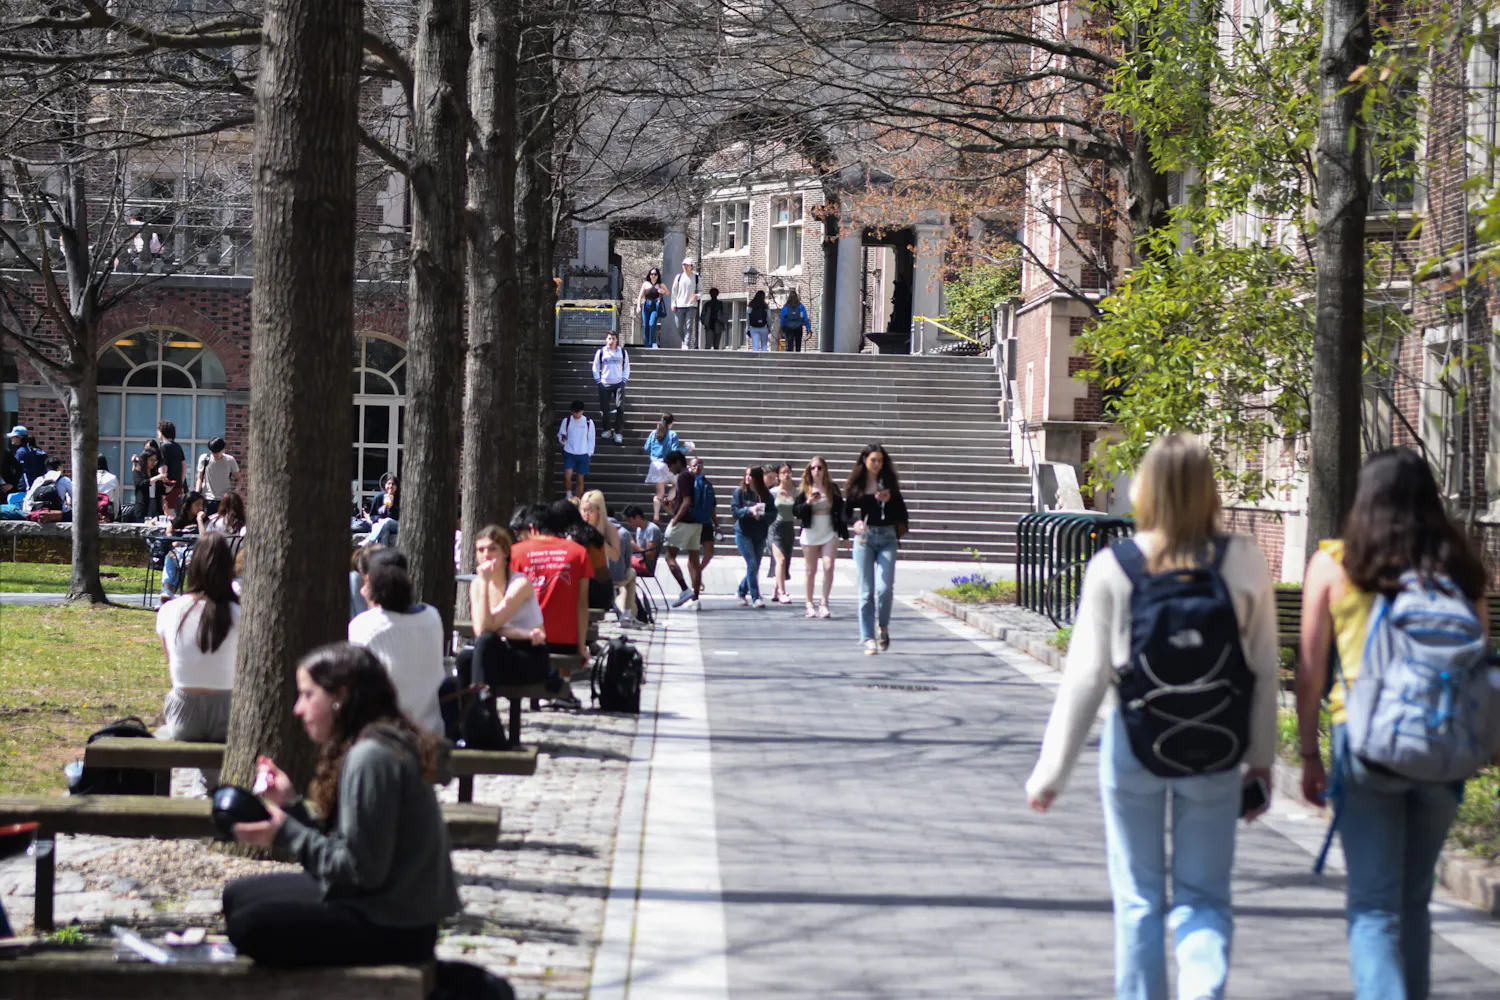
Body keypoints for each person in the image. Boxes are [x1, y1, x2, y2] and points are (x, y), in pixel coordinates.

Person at [1024, 434, 1278, 1000]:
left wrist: (1051, 773)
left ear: (1146, 488)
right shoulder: (1242, 560)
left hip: (1133, 743)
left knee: (1138, 898)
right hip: (1216, 746)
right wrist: (1262, 763)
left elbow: (1086, 678)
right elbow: (1260, 670)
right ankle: (1202, 987)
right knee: (1204, 894)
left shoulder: (1115, 565)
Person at [1297, 447, 1488, 1000]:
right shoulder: (1460, 566)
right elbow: (1477, 664)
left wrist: (1309, 755)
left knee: (1375, 905)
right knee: (1413, 903)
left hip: (1365, 744)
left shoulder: (1337, 562)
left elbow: (1309, 674)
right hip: (1443, 746)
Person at [224, 643, 459, 968]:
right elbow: (346, 847)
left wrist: (285, 830)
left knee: (248, 925)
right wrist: (291, 805)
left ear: (340, 696)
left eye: (308, 695)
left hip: (395, 926)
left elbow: (360, 871)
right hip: (381, 904)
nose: (297, 709)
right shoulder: (368, 745)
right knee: (238, 895)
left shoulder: (371, 757)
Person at [347, 549, 446, 737]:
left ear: (370, 583)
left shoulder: (363, 626)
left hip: (381, 739)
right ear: (410, 580)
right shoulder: (432, 616)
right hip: (432, 735)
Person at [154, 533, 239, 746]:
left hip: (184, 714)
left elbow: (172, 661)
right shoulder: (240, 613)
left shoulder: (170, 610)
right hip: (227, 711)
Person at [511, 500, 593, 706]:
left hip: (526, 640)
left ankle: (549, 690)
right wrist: (582, 646)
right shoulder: (578, 552)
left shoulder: (516, 552)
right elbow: (582, 603)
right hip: (565, 643)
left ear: (532, 527)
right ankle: (562, 688)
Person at [458, 525, 552, 689]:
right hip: (498, 649)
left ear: (505, 553)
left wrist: (486, 583)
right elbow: (480, 630)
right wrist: (525, 633)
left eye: (492, 549)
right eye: (481, 550)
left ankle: (482, 703)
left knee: (486, 642)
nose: (486, 555)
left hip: (529, 654)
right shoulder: (476, 585)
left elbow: (488, 628)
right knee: (464, 658)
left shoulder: (519, 584)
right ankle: (474, 710)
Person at [845, 445, 910, 655]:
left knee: (884, 589)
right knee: (866, 592)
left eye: (880, 460)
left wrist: (890, 501)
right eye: (873, 460)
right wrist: (855, 523)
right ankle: (868, 637)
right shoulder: (858, 484)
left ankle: (883, 626)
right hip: (865, 538)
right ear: (864, 460)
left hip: (887, 537)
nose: (877, 464)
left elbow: (903, 515)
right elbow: (845, 514)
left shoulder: (888, 483)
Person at [793, 456, 846, 618]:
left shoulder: (832, 488)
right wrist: (808, 502)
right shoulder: (804, 489)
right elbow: (796, 511)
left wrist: (845, 533)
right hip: (811, 532)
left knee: (829, 565)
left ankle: (824, 601)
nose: (816, 471)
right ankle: (809, 603)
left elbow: (841, 510)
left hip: (829, 531)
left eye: (819, 468)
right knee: (810, 570)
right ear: (809, 470)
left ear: (825, 470)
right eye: (813, 468)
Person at [662, 450, 703, 609]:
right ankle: (696, 598)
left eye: (670, 465)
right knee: (694, 559)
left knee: (669, 557)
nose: (669, 468)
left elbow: (687, 501)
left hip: (683, 522)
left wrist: (675, 519)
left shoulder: (684, 477)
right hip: (696, 523)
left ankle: (685, 589)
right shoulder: (692, 477)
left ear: (678, 462)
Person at [731, 466, 776, 608]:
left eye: (750, 475)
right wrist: (749, 510)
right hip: (743, 533)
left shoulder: (766, 495)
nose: (747, 478)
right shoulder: (739, 492)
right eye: (746, 475)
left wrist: (761, 515)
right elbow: (734, 511)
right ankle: (756, 597)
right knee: (752, 564)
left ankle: (741, 591)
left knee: (755, 566)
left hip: (759, 533)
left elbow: (773, 514)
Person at [161, 492, 207, 598]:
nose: (201, 508)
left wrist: (199, 520)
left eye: (202, 505)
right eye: (197, 505)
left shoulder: (204, 520)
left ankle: (178, 592)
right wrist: (171, 536)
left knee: (184, 560)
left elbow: (204, 538)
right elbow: (170, 537)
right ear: (188, 505)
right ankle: (167, 590)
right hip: (178, 552)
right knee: (170, 557)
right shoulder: (178, 521)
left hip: (196, 551)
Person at [642, 413, 683, 521]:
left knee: (659, 493)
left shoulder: (654, 433)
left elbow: (646, 447)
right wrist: (686, 449)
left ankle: (656, 516)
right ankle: (668, 500)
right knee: (678, 484)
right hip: (666, 464)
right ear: (671, 423)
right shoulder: (673, 434)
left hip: (655, 465)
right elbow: (674, 451)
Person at [592, 332, 630, 445]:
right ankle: (607, 430)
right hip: (604, 383)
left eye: (613, 338)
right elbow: (595, 367)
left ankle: (618, 432)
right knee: (605, 408)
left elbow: (627, 367)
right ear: (606, 340)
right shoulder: (601, 352)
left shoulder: (622, 352)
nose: (611, 341)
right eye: (609, 338)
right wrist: (598, 381)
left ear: (616, 340)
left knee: (620, 407)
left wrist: (624, 380)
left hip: (618, 383)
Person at [769, 462, 797, 603]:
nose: (786, 475)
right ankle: (782, 592)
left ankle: (775, 589)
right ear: (778, 476)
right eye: (783, 472)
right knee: (780, 560)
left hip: (789, 528)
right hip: (775, 528)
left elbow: (800, 510)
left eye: (788, 472)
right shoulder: (773, 492)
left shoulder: (796, 492)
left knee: (785, 562)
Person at [558, 400, 595, 500]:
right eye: (573, 412)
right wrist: (562, 439)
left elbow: (591, 439)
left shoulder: (588, 422)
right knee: (567, 476)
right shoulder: (567, 420)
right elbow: (561, 434)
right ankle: (569, 495)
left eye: (577, 412)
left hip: (583, 454)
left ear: (582, 411)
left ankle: (577, 500)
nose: (575, 414)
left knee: (580, 480)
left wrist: (589, 453)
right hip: (569, 452)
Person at [688, 455, 718, 576]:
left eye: (700, 465)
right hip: (691, 522)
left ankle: (697, 573)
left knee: (709, 552)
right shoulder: (686, 482)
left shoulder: (708, 485)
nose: (697, 467)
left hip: (706, 522)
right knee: (693, 555)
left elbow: (712, 507)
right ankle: (695, 581)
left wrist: (717, 525)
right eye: (694, 465)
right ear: (689, 467)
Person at [195, 437, 240, 514]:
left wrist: (235, 492)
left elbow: (239, 478)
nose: (215, 454)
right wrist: (196, 494)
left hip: (224, 500)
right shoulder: (205, 459)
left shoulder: (230, 460)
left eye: (217, 452)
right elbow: (200, 477)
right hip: (207, 498)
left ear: (222, 449)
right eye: (213, 452)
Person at [22, 456, 72, 520]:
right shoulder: (64, 480)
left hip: (39, 513)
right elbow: (75, 497)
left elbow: (28, 498)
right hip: (58, 513)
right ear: (59, 467)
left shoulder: (39, 480)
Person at [623, 504, 662, 578]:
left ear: (637, 517)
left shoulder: (651, 529)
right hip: (637, 560)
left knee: (619, 563)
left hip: (646, 565)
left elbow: (650, 555)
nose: (629, 524)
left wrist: (633, 545)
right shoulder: (639, 529)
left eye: (630, 521)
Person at [156, 420, 186, 515]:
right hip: (177, 484)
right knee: (173, 510)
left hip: (168, 485)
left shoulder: (163, 446)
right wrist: (180, 483)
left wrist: (165, 483)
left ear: (162, 432)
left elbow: (163, 467)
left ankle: (170, 529)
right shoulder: (178, 446)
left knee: (168, 511)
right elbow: (184, 465)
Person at [361, 476, 399, 547]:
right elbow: (372, 516)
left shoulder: (399, 498)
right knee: (382, 529)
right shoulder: (379, 497)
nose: (390, 486)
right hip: (381, 524)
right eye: (388, 483)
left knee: (387, 521)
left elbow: (398, 517)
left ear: (396, 487)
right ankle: (383, 553)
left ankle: (369, 540)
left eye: (393, 484)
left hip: (395, 524)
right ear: (385, 485)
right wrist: (379, 519)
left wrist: (391, 507)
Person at [637, 266, 667, 348]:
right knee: (646, 325)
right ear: (649, 275)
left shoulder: (660, 284)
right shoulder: (646, 284)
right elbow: (640, 296)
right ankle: (647, 344)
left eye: (655, 274)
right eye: (652, 274)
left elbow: (668, 293)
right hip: (646, 306)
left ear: (658, 276)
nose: (653, 276)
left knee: (652, 324)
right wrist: (638, 306)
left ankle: (653, 342)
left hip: (655, 306)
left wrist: (663, 291)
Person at [672, 259, 699, 349]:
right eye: (683, 265)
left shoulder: (696, 278)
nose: (685, 267)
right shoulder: (678, 277)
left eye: (687, 265)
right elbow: (674, 291)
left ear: (691, 266)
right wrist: (673, 303)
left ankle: (686, 344)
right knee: (679, 326)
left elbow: (701, 291)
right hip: (679, 305)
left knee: (689, 326)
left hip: (691, 305)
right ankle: (684, 340)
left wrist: (697, 296)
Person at [10, 427, 47, 491]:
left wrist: (28, 489)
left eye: (13, 436)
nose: (11, 438)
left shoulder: (22, 452)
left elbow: (25, 472)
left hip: (25, 488)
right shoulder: (32, 450)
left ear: (19, 437)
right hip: (37, 485)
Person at [699, 286, 726, 350]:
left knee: (716, 345)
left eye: (714, 293)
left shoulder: (721, 304)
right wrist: (705, 322)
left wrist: (720, 318)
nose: (713, 295)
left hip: (718, 326)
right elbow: (702, 316)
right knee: (708, 345)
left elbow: (726, 315)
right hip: (709, 326)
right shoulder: (707, 304)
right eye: (712, 293)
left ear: (717, 294)